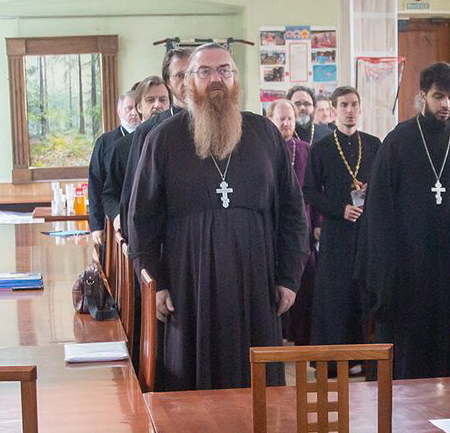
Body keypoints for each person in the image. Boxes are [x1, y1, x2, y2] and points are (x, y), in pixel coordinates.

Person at [128, 44, 306, 392]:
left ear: (235, 79)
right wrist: (154, 283)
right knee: (191, 384)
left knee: (258, 386)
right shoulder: (163, 138)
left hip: (256, 281)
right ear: (187, 82)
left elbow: (292, 211)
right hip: (188, 282)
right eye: (205, 71)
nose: (216, 79)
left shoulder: (264, 133)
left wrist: (289, 277)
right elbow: (142, 219)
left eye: (224, 70)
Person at [359, 61, 450, 379]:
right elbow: (379, 212)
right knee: (410, 351)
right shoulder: (398, 141)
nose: (446, 105)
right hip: (409, 268)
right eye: (439, 96)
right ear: (423, 95)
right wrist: (384, 274)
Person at [303, 85, 381, 346]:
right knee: (336, 293)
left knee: (364, 290)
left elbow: (384, 185)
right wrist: (340, 210)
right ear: (334, 110)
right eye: (344, 105)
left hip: (367, 230)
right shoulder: (321, 148)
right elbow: (309, 191)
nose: (350, 110)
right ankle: (334, 356)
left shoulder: (373, 144)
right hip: (336, 232)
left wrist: (370, 191)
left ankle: (366, 355)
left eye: (354, 104)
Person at [118, 45, 196, 251]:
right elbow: (134, 197)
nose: (187, 81)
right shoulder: (149, 131)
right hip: (167, 240)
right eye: (180, 75)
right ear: (168, 83)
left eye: (193, 72)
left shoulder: (220, 124)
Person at [267, 98, 315, 342]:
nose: (286, 123)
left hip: (302, 224)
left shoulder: (305, 149)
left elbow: (315, 189)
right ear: (270, 120)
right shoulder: (262, 149)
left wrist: (317, 224)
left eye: (290, 119)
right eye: (281, 119)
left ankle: (301, 335)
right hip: (271, 226)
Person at [87, 86, 143, 247]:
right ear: (119, 112)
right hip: (113, 218)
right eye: (128, 108)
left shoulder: (150, 137)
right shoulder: (105, 142)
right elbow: (95, 184)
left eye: (136, 108)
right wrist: (96, 226)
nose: (133, 113)